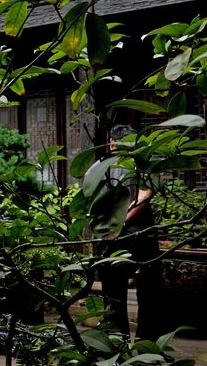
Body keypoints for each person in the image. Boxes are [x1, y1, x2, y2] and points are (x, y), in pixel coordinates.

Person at [94, 125, 162, 340]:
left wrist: (115, 223)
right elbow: (144, 195)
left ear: (112, 142)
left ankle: (118, 344)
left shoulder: (98, 166)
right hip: (139, 232)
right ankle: (146, 345)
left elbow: (91, 201)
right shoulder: (142, 163)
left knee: (114, 294)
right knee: (148, 292)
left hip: (113, 233)